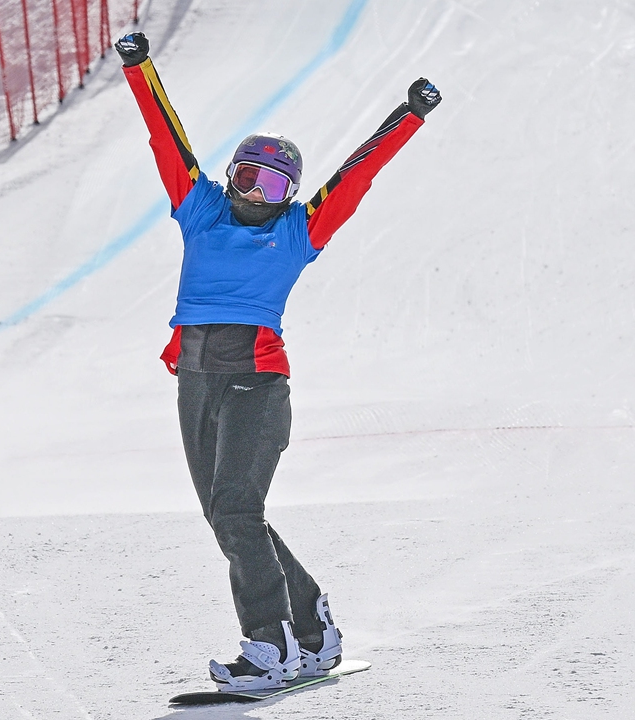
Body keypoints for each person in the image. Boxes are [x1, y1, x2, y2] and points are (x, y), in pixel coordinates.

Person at [114, 32, 441, 690]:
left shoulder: (298, 231)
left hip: (256, 378)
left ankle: (271, 647)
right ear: (230, 177)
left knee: (235, 512)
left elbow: (356, 174)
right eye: (247, 178)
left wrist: (410, 114)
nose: (257, 195)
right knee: (229, 514)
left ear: (290, 194)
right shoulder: (200, 207)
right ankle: (314, 631)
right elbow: (165, 136)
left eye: (274, 185)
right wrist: (139, 66)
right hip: (197, 377)